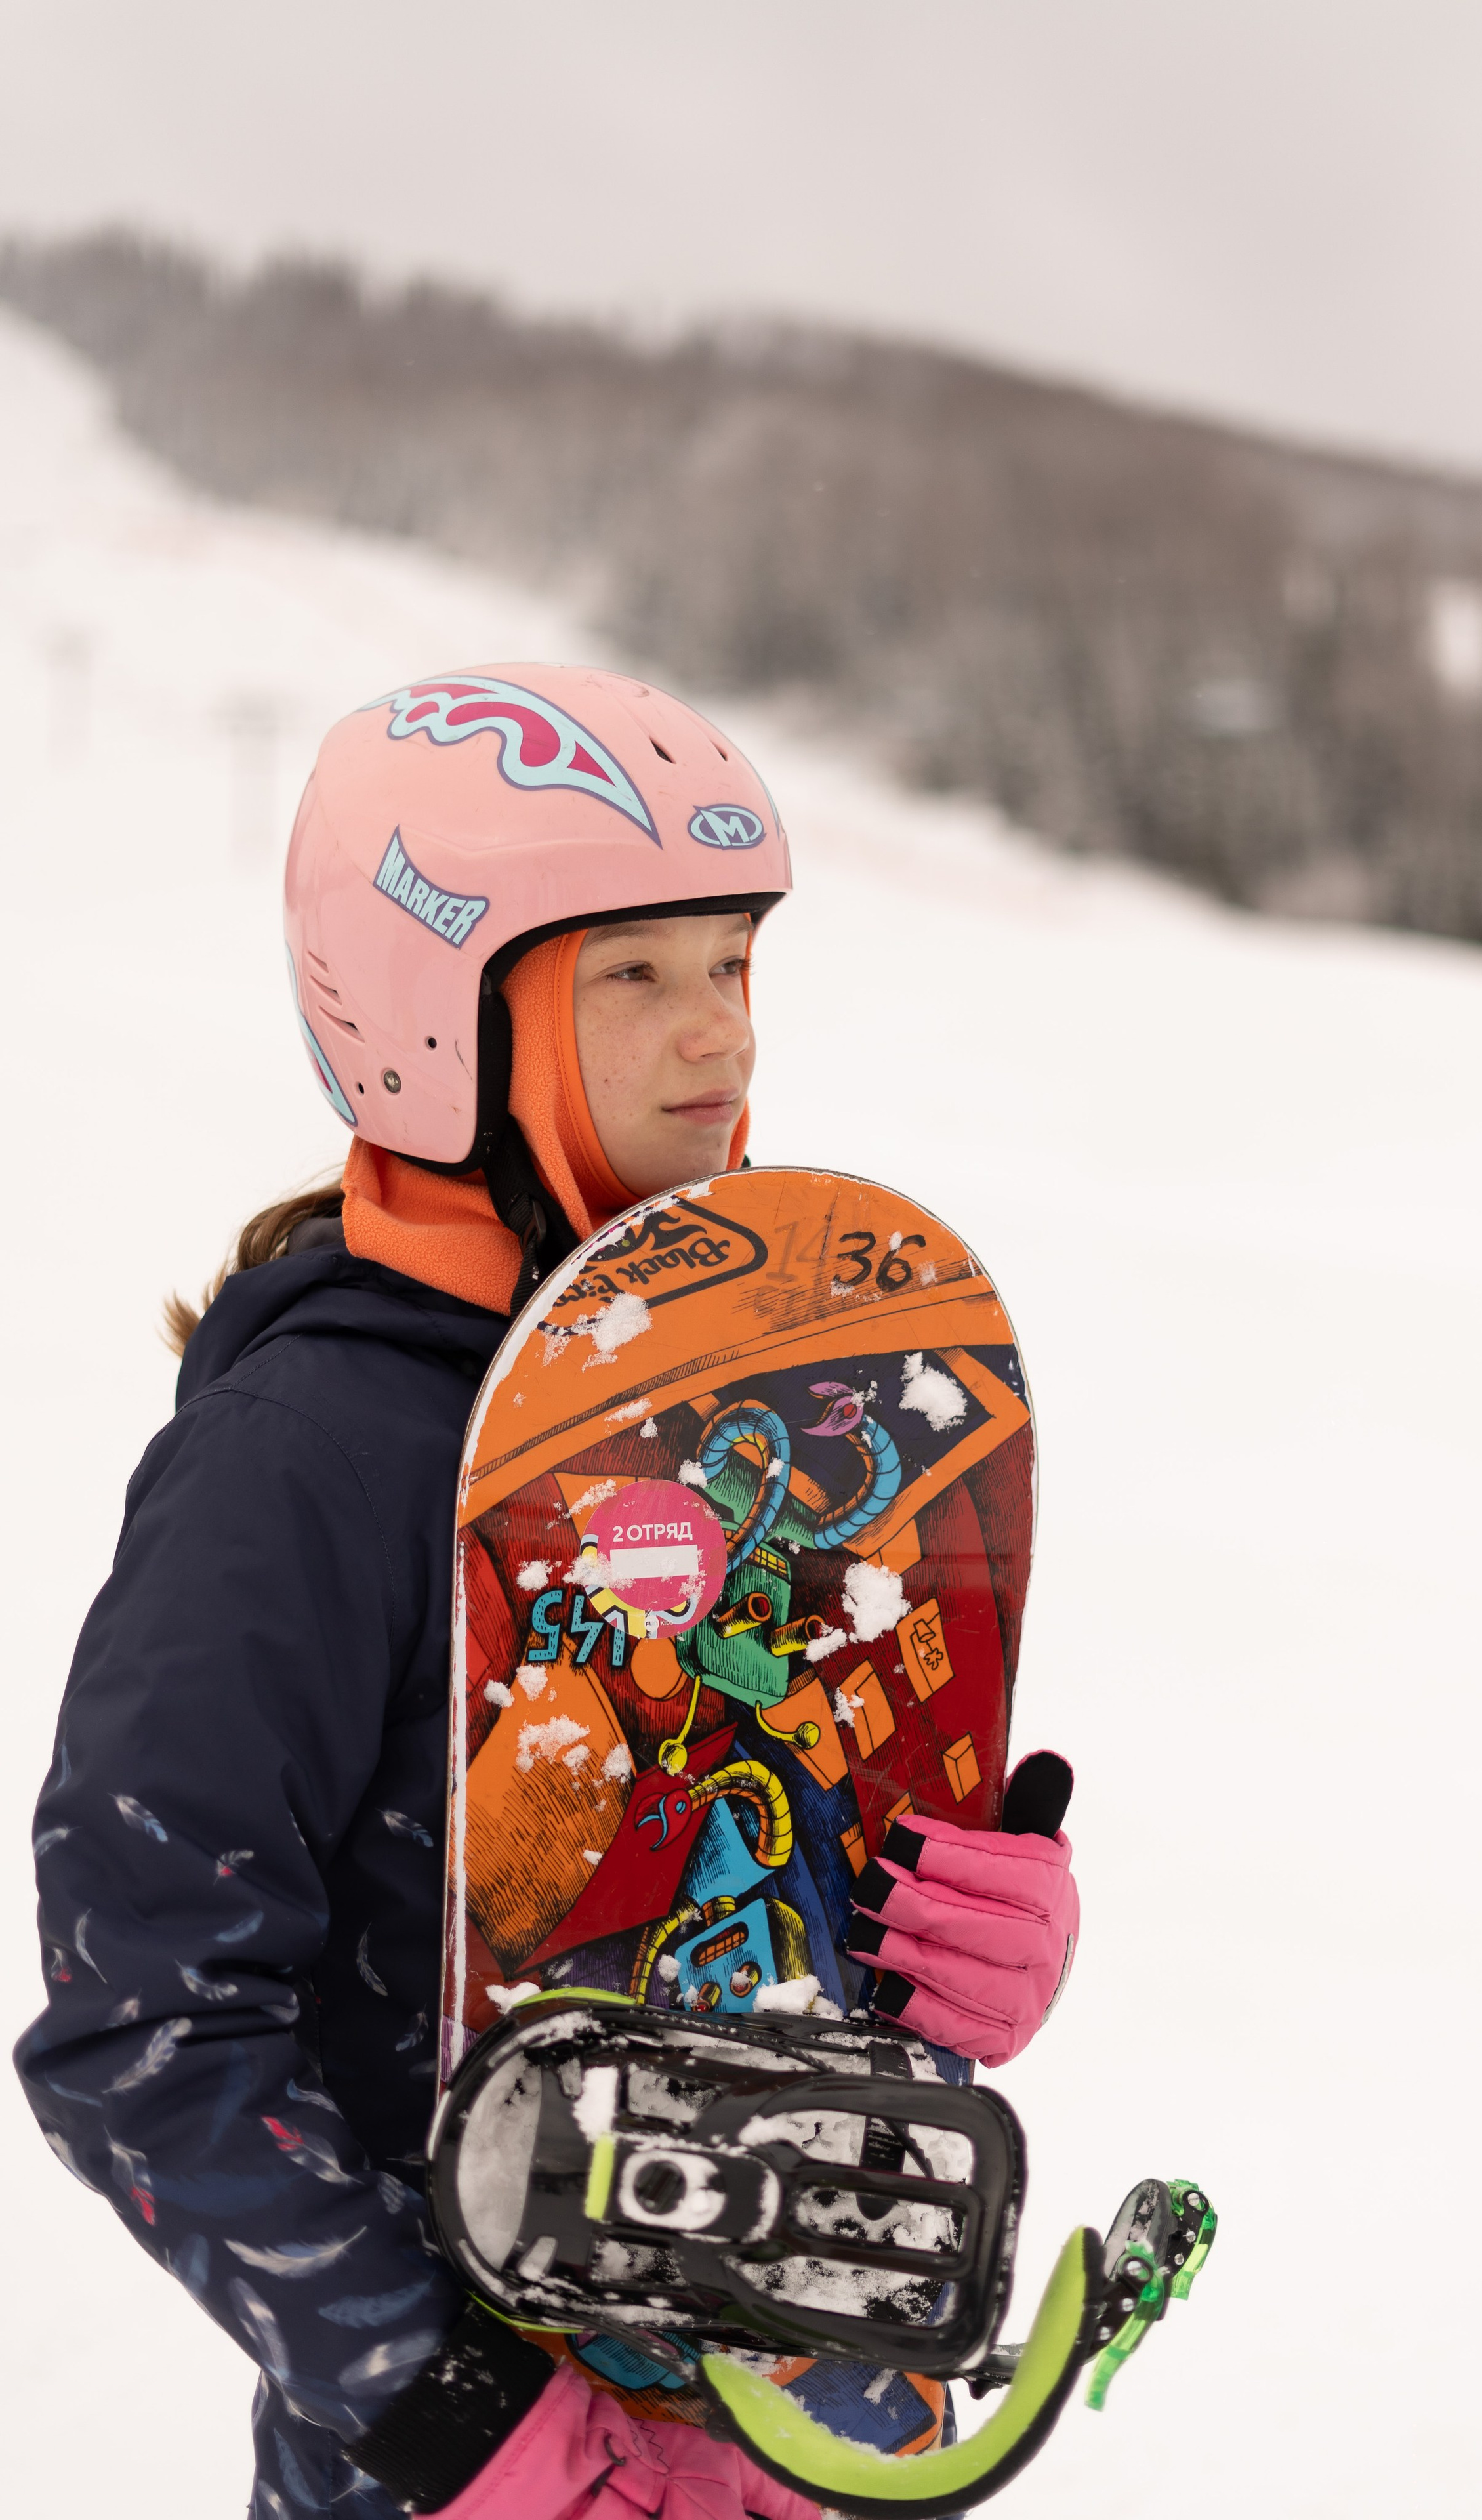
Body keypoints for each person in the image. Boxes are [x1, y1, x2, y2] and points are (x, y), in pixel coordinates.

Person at [17, 665, 1080, 2519]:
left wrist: (956, 1925)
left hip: (791, 2431)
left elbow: (772, 1824)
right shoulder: (305, 1453)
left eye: (732, 968)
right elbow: (148, 2018)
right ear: (435, 1017)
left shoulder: (756, 1396)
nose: (717, 1043)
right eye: (635, 978)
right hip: (458, 2471)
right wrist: (464, 2421)